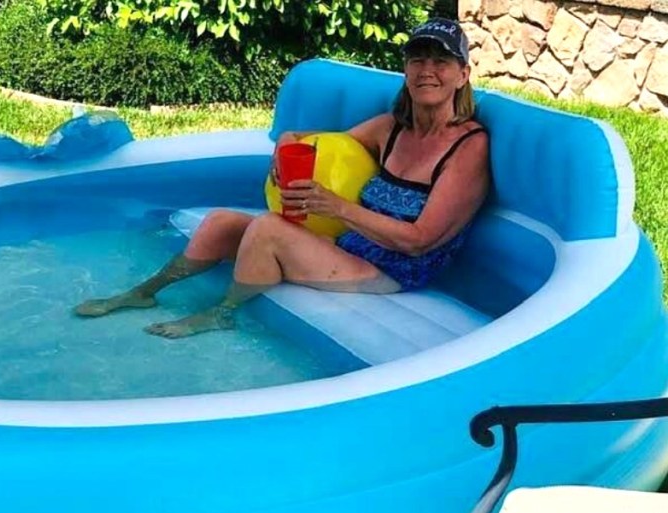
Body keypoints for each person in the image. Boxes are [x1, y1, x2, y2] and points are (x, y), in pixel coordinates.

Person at [74, 17, 492, 339]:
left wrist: (337, 208)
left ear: (462, 74)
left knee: (269, 229)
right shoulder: (391, 127)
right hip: (348, 244)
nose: (427, 70)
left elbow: (420, 239)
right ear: (406, 69)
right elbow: (321, 145)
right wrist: (288, 142)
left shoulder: (468, 147)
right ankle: (146, 291)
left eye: (441, 61)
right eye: (418, 59)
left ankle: (223, 313)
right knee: (222, 221)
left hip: (394, 271)